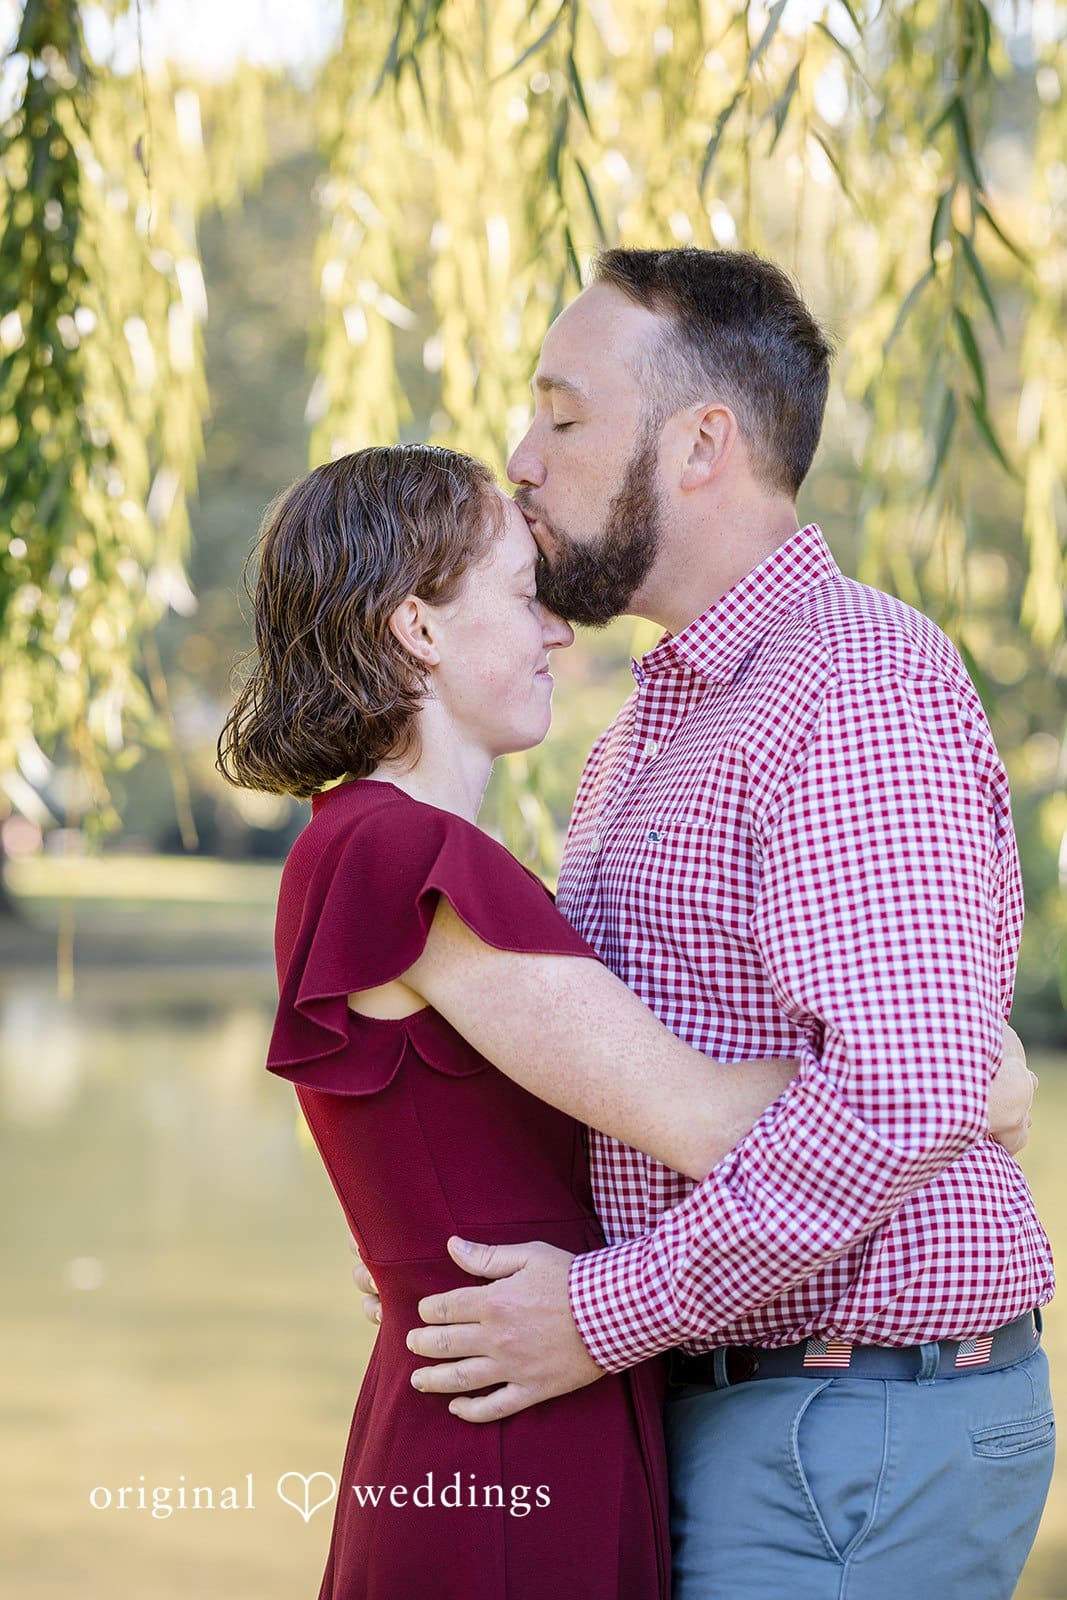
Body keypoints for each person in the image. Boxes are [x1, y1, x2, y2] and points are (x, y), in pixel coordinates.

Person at [373, 248, 1055, 1600]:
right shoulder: (649, 726)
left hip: (848, 1425)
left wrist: (594, 1314)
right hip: (748, 1406)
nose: (519, 453)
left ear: (697, 445)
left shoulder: (848, 680)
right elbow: (652, 1071)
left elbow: (902, 1089)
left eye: (563, 416)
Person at [217, 443, 814, 1599]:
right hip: (509, 1435)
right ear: (418, 630)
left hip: (512, 1398)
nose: (558, 633)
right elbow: (694, 1120)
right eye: (523, 594)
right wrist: (944, 1072)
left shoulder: (367, 844)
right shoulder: (404, 854)